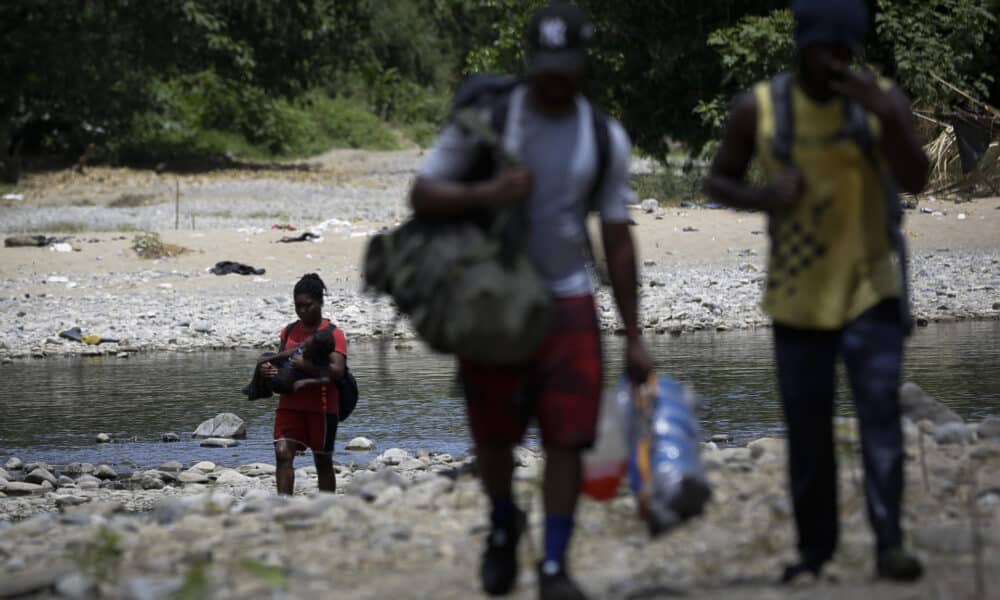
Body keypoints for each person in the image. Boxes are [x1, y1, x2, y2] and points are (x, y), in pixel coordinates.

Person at [410, 4, 652, 599]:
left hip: (569, 303)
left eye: (565, 67)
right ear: (529, 61)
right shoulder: (487, 117)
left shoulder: (603, 136)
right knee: (494, 439)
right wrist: (490, 190)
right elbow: (422, 192)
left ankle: (554, 564)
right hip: (492, 304)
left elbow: (617, 241)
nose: (555, 79)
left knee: (568, 437)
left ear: (582, 64)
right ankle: (501, 523)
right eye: (545, 66)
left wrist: (634, 333)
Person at [705, 0, 929, 583]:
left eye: (845, 51)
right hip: (798, 299)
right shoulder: (760, 108)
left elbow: (917, 177)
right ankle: (815, 553)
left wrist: (888, 114)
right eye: (825, 51)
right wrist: (765, 195)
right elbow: (717, 180)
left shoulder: (878, 102)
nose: (837, 62)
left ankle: (889, 546)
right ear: (799, 48)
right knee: (808, 436)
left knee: (879, 421)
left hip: (871, 292)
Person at [259, 273, 348, 495]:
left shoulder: (333, 334)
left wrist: (305, 366)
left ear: (320, 303)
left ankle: (326, 509)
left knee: (322, 461)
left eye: (307, 306)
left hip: (322, 408)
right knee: (282, 453)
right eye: (297, 306)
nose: (301, 311)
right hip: (289, 404)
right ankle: (283, 507)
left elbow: (337, 371)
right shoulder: (289, 331)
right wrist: (269, 370)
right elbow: (282, 363)